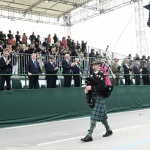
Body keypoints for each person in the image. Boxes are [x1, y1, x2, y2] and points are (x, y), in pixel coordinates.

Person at [81, 60, 113, 142]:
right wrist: (87, 89)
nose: (93, 67)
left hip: (99, 97)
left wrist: (92, 88)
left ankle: (89, 135)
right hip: (94, 97)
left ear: (99, 66)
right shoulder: (92, 75)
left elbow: (103, 86)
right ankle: (109, 130)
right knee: (102, 116)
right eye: (93, 65)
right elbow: (90, 85)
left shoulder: (102, 74)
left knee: (94, 115)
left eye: (95, 65)